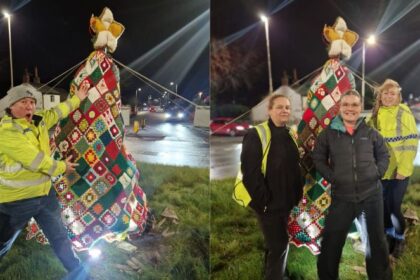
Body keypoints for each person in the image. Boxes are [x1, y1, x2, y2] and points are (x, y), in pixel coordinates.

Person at [0, 82, 90, 279]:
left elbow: (58, 111)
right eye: (23, 102)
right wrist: (62, 167)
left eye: (32, 102)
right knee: (3, 242)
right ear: (11, 106)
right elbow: (35, 161)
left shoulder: (39, 121)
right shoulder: (7, 131)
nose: (29, 106)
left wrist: (78, 98)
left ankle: (79, 273)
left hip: (44, 195)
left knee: (59, 238)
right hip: (17, 201)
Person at [312, 90, 392, 280]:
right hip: (342, 197)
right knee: (331, 243)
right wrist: (333, 177)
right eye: (346, 104)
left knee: (376, 244)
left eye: (354, 105)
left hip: (371, 196)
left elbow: (384, 155)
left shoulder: (370, 132)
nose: (350, 108)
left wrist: (376, 173)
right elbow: (318, 158)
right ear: (340, 107)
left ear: (360, 107)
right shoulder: (328, 134)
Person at [238, 94, 304, 280]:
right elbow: (250, 174)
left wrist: (296, 195)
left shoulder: (290, 134)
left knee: (274, 245)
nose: (284, 110)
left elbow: (294, 166)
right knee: (280, 245)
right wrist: (264, 202)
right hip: (269, 205)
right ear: (270, 110)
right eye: (280, 107)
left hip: (287, 203)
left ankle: (272, 273)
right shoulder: (256, 134)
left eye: (287, 107)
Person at [369, 79, 419, 258]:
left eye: (392, 93)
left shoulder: (403, 112)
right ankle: (389, 234)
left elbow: (411, 141)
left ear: (398, 96)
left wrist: (404, 168)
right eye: (385, 93)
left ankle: (399, 238)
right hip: (381, 170)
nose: (389, 97)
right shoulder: (374, 116)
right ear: (380, 96)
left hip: (399, 171)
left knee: (394, 206)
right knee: (382, 206)